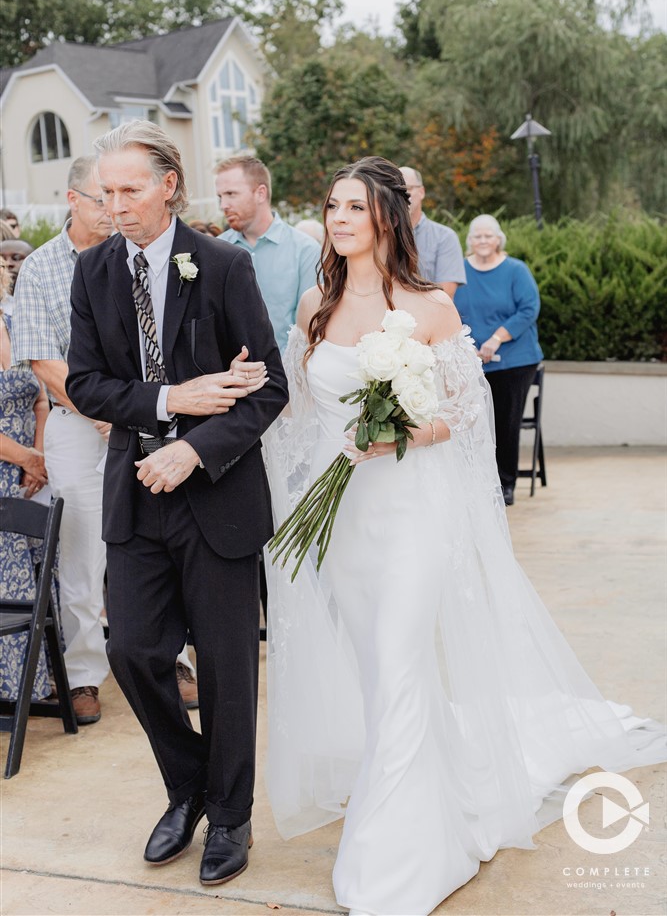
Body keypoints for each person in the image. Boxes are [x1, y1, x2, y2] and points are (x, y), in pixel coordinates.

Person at [263, 157, 666, 916]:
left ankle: (401, 856)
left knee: (403, 659)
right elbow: (294, 412)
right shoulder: (314, 304)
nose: (337, 218)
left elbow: (465, 415)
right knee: (378, 672)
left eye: (353, 206)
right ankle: (426, 792)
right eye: (330, 206)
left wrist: (401, 432)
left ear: (387, 217)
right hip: (342, 517)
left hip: (411, 512)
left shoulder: (428, 308)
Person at [66, 121, 288, 886]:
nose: (116, 206)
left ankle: (230, 816)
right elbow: (86, 384)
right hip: (134, 492)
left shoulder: (223, 266)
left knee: (226, 668)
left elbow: (269, 389)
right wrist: (170, 397)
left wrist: (193, 444)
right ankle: (189, 785)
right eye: (106, 193)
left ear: (168, 185)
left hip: (217, 497)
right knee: (131, 651)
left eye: (130, 190)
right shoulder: (91, 271)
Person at [11, 157, 114, 725]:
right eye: (103, 198)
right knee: (78, 551)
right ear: (73, 200)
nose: (114, 209)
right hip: (76, 425)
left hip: (146, 419)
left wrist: (134, 413)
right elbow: (44, 363)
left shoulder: (133, 253)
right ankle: (82, 674)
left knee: (157, 539)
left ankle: (171, 659)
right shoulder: (42, 268)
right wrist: (104, 415)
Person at [454, 214, 543, 506]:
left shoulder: (516, 270)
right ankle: (476, 480)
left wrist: (496, 339)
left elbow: (529, 309)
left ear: (498, 239)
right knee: (468, 421)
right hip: (469, 359)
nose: (482, 241)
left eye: (488, 236)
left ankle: (505, 483)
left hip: (514, 361)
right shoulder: (460, 273)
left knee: (505, 421)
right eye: (477, 236)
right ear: (470, 241)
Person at [0, 258, 52, 702]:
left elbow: (40, 396)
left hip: (30, 467)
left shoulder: (14, 318)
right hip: (13, 462)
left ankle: (36, 680)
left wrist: (38, 453)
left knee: (39, 570)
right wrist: (24, 458)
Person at [214, 156, 319, 353]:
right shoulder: (216, 250)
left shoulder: (305, 250)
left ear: (260, 193)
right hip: (232, 378)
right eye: (220, 197)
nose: (223, 205)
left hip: (289, 377)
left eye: (231, 194)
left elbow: (311, 330)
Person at [399, 165, 466, 298]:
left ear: (422, 192)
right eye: (397, 190)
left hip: (428, 317)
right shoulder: (380, 235)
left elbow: (445, 295)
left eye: (408, 189)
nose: (402, 195)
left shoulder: (445, 237)